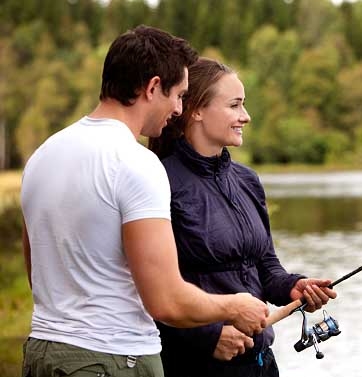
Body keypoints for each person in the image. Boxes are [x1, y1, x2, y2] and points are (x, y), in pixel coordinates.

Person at [20, 26, 269, 377]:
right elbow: (166, 300)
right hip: (113, 359)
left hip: (42, 353)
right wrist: (234, 305)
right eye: (179, 95)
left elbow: (37, 270)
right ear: (152, 87)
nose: (179, 109)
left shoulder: (44, 155)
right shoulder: (135, 163)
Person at [148, 57, 338, 377]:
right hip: (195, 365)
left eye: (244, 105)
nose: (245, 117)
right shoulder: (159, 181)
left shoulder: (247, 180)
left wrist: (295, 286)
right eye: (235, 105)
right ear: (195, 109)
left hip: (261, 363)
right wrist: (207, 336)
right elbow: (147, 288)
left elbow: (266, 267)